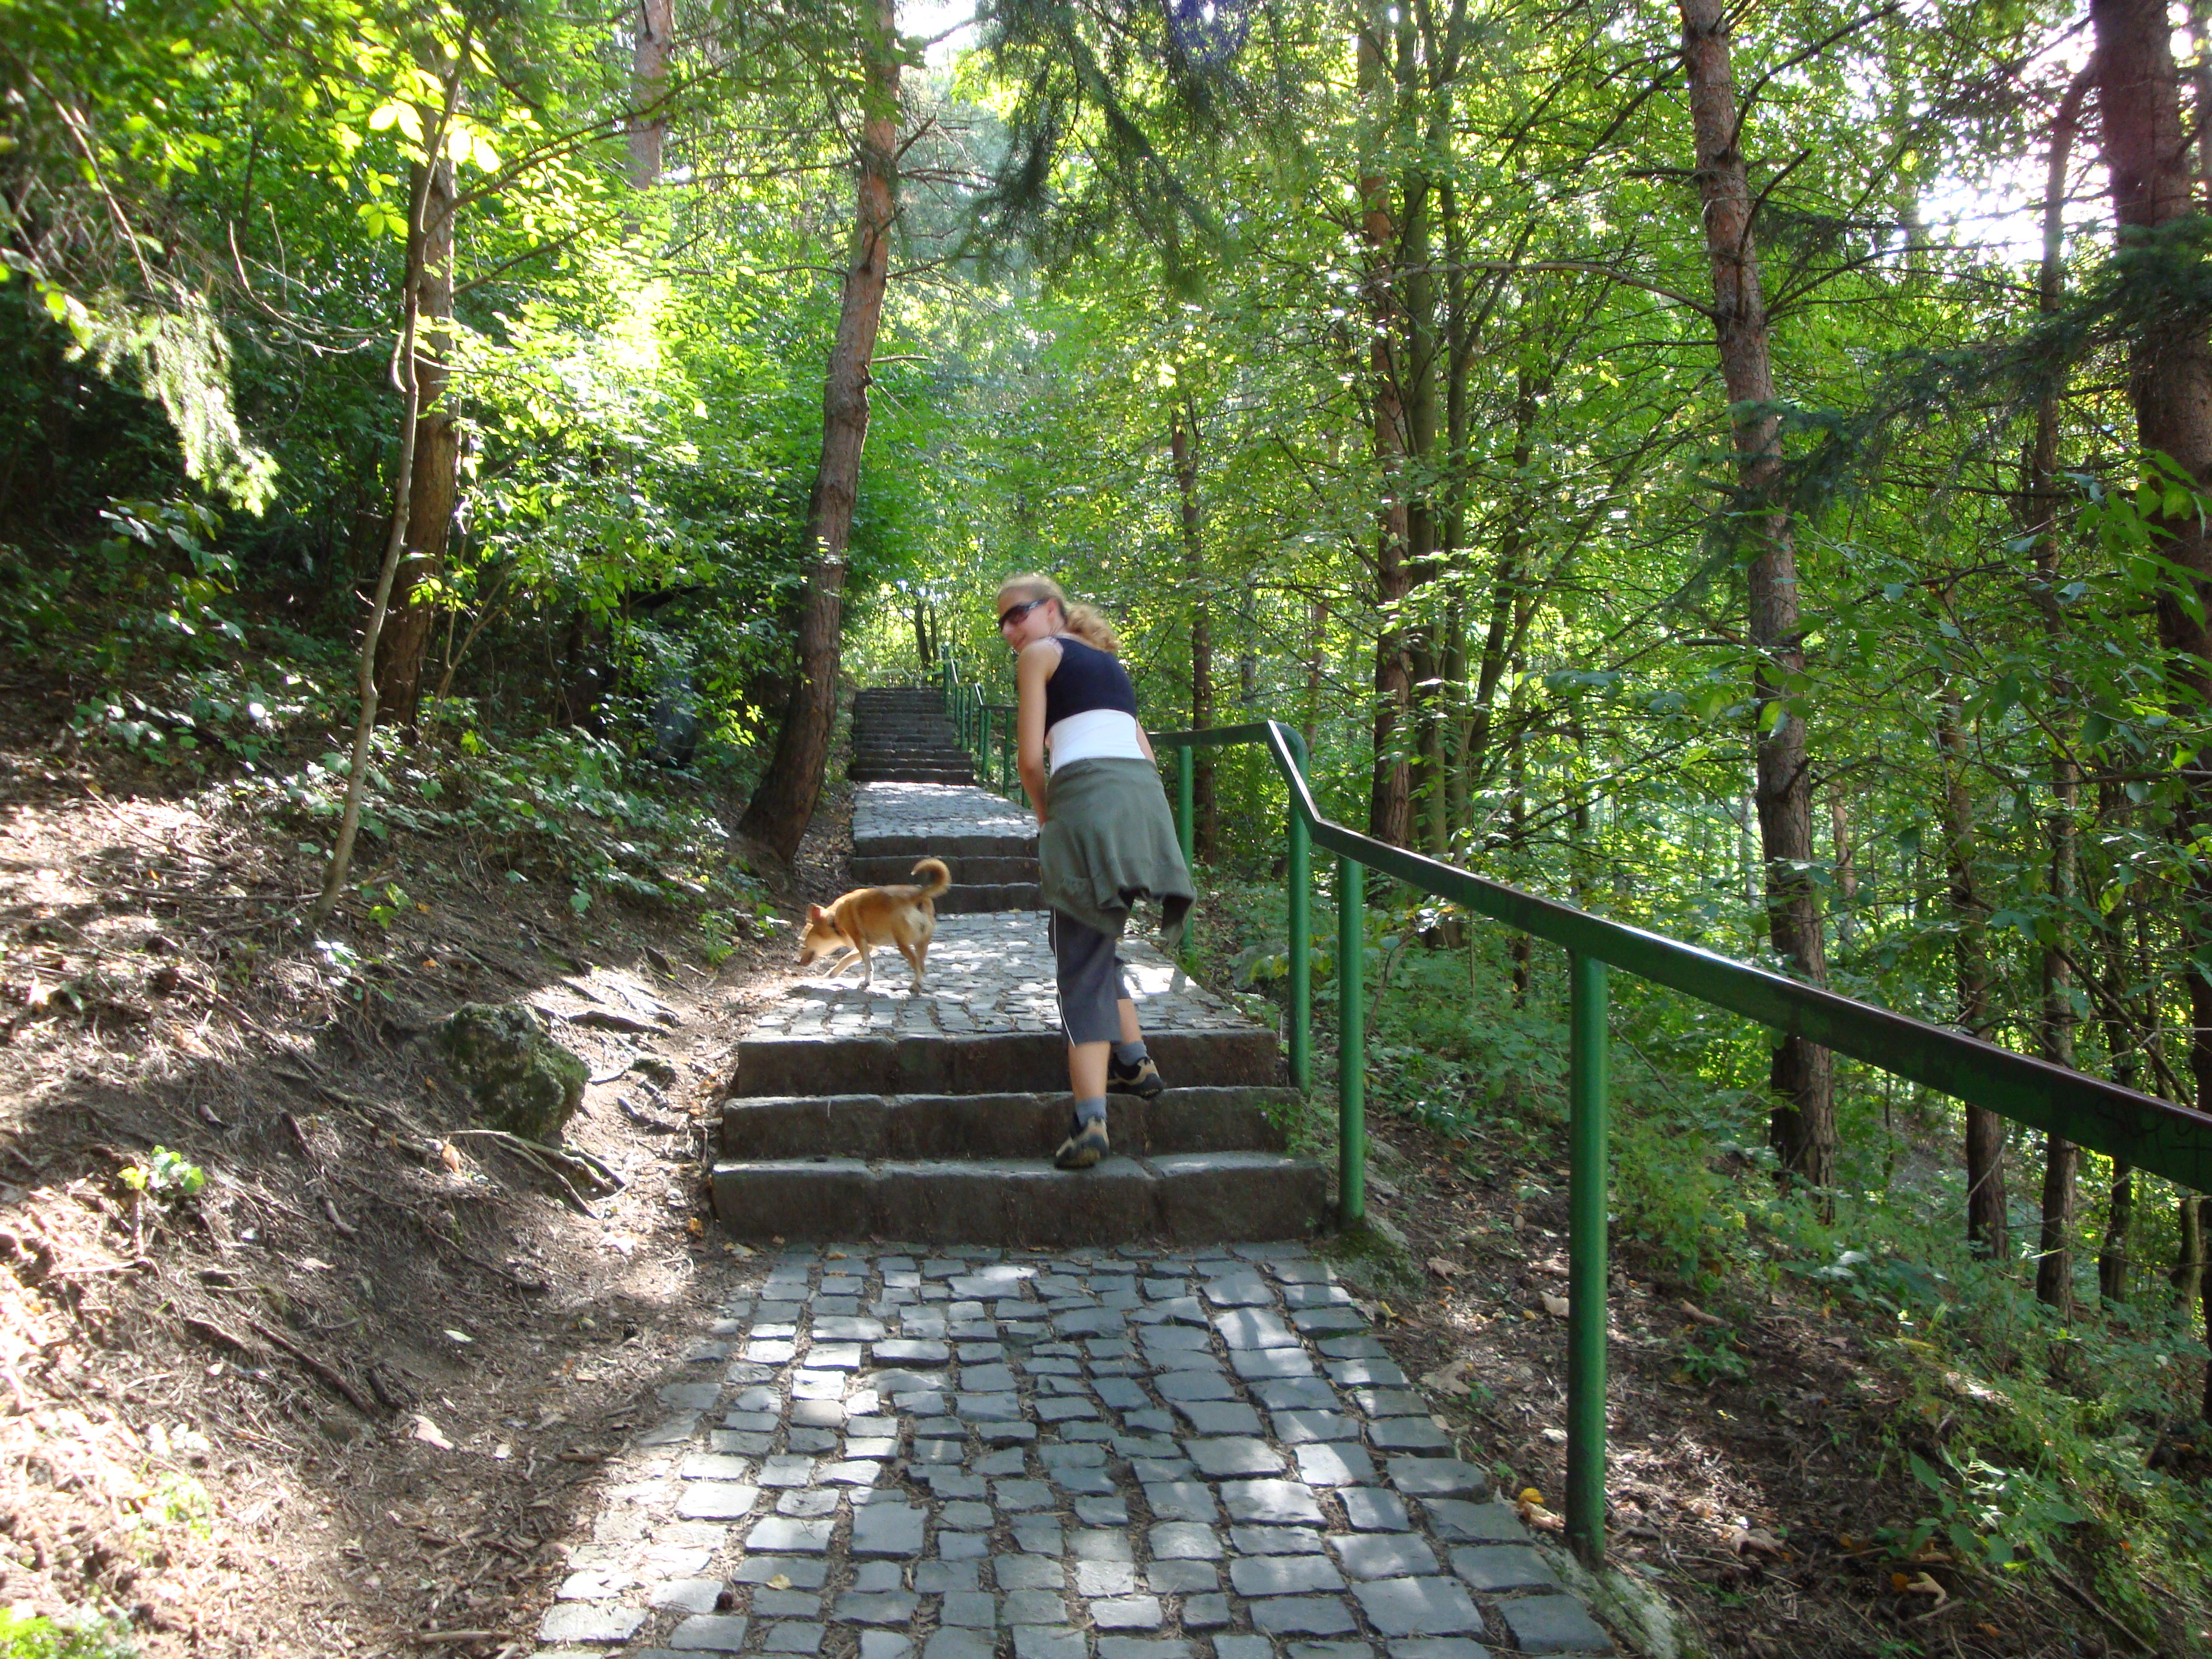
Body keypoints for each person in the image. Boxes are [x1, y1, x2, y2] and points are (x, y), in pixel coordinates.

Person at [997, 574, 1195, 1170]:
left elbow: (1030, 762)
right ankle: (1133, 1060)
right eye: (1002, 622)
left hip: (1089, 801)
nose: (1010, 630)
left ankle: (1090, 1122)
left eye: (1018, 613)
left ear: (1052, 610)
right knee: (1088, 933)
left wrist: (1049, 820)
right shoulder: (1109, 664)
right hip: (1142, 808)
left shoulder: (1040, 655)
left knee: (1078, 962)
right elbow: (1145, 752)